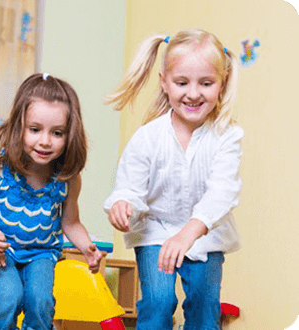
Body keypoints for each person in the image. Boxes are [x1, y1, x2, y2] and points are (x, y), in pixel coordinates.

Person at [103, 29, 243, 330]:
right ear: (164, 82)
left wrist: (189, 233)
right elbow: (129, 184)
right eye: (182, 83)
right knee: (158, 301)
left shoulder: (227, 137)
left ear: (222, 83)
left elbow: (222, 192)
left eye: (206, 83)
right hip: (156, 229)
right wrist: (121, 203)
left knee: (205, 306)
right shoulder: (148, 137)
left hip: (205, 233)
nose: (193, 94)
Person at [0, 72, 103, 330]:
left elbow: (71, 222)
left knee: (40, 302)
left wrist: (88, 247)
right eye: (35, 130)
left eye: (57, 133)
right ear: (19, 127)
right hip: (1, 251)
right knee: (9, 296)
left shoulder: (67, 178)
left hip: (42, 254)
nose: (45, 141)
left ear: (69, 134)